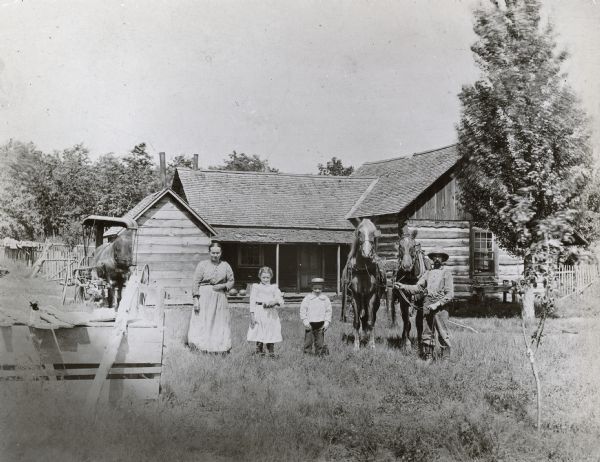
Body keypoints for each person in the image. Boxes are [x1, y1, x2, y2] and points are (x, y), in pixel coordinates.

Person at [395, 247, 454, 362]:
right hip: (427, 306)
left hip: (440, 308)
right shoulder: (428, 273)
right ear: (432, 259)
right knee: (427, 333)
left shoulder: (447, 273)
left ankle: (445, 359)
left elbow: (450, 294)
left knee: (443, 333)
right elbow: (417, 287)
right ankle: (428, 357)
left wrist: (437, 304)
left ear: (443, 259)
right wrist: (403, 286)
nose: (437, 259)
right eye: (435, 256)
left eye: (439, 256)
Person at [188, 242, 235, 353]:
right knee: (203, 320)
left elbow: (231, 281)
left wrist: (223, 286)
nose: (215, 255)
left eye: (217, 253)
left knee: (219, 321)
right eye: (213, 253)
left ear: (221, 253)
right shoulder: (202, 265)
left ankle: (218, 347)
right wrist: (196, 299)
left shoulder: (225, 265)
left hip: (219, 297)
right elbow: (195, 282)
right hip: (204, 296)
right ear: (209, 252)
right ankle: (200, 346)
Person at [247, 266, 284, 357]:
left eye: (267, 277)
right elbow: (252, 301)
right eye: (263, 277)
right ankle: (259, 352)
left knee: (271, 330)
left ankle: (271, 352)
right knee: (259, 330)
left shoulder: (274, 287)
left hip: (270, 313)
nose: (266, 279)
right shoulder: (256, 287)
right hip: (259, 311)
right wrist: (252, 315)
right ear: (260, 277)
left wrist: (274, 302)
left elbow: (280, 300)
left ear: (271, 277)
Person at [300, 277, 332, 356]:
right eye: (315, 288)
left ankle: (319, 354)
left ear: (322, 288)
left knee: (320, 341)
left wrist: (327, 322)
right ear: (311, 288)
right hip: (310, 324)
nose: (317, 290)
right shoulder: (308, 298)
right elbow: (303, 310)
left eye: (319, 289)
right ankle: (307, 354)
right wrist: (305, 321)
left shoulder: (325, 299)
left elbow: (328, 311)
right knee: (308, 341)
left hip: (321, 323)